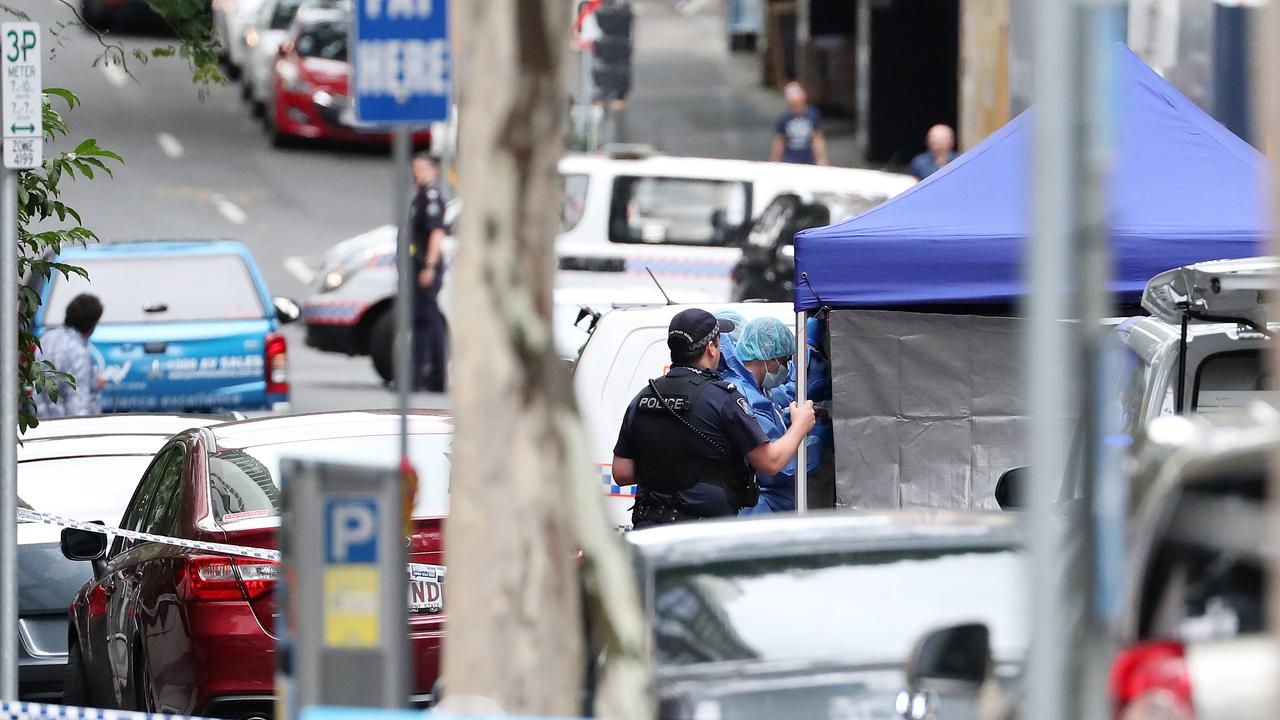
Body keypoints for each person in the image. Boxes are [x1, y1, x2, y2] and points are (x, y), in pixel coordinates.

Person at [611, 308, 816, 528]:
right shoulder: (723, 398)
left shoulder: (644, 397)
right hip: (701, 535)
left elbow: (622, 473)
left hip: (650, 531)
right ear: (711, 348)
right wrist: (800, 426)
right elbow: (770, 462)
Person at [730, 316, 808, 514]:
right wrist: (810, 437)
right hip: (756, 510)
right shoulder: (744, 397)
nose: (786, 368)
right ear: (766, 356)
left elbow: (771, 426)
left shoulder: (759, 389)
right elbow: (775, 467)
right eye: (784, 360)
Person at [409, 152, 448, 392]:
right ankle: (432, 377)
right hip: (420, 266)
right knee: (429, 319)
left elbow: (436, 233)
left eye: (421, 168)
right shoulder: (421, 197)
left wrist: (429, 266)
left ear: (434, 170)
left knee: (425, 321)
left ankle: (421, 376)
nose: (417, 173)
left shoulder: (432, 198)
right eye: (415, 168)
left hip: (426, 267)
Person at [34, 293, 104, 418]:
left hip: (41, 423)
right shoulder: (78, 353)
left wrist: (93, 381)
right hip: (67, 429)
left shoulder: (45, 339)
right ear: (92, 325)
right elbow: (78, 404)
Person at [771, 82, 828, 166]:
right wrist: (775, 161)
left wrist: (821, 159)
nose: (794, 98)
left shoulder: (812, 115)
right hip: (789, 161)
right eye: (790, 95)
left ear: (803, 95)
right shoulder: (784, 118)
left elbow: (817, 138)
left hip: (809, 161)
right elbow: (779, 141)